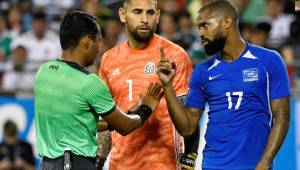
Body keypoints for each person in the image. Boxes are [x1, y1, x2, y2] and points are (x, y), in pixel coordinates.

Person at [156, 0, 290, 169]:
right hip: (213, 164)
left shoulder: (269, 60)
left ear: (227, 22)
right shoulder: (202, 71)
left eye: (205, 25)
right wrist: (168, 87)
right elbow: (188, 128)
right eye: (198, 27)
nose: (201, 32)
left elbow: (282, 117)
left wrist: (266, 161)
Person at [34, 11, 163, 170]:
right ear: (87, 41)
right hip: (76, 164)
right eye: (98, 41)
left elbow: (76, 121)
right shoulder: (89, 82)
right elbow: (125, 126)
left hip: (46, 165)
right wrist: (145, 108)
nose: (99, 49)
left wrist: (112, 122)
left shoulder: (44, 71)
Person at [99, 0, 200, 169]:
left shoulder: (175, 56)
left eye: (150, 13)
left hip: (164, 164)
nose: (145, 19)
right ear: (123, 15)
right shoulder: (109, 60)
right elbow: (106, 120)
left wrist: (188, 164)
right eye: (137, 12)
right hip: (120, 165)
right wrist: (98, 162)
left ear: (158, 16)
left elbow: (190, 120)